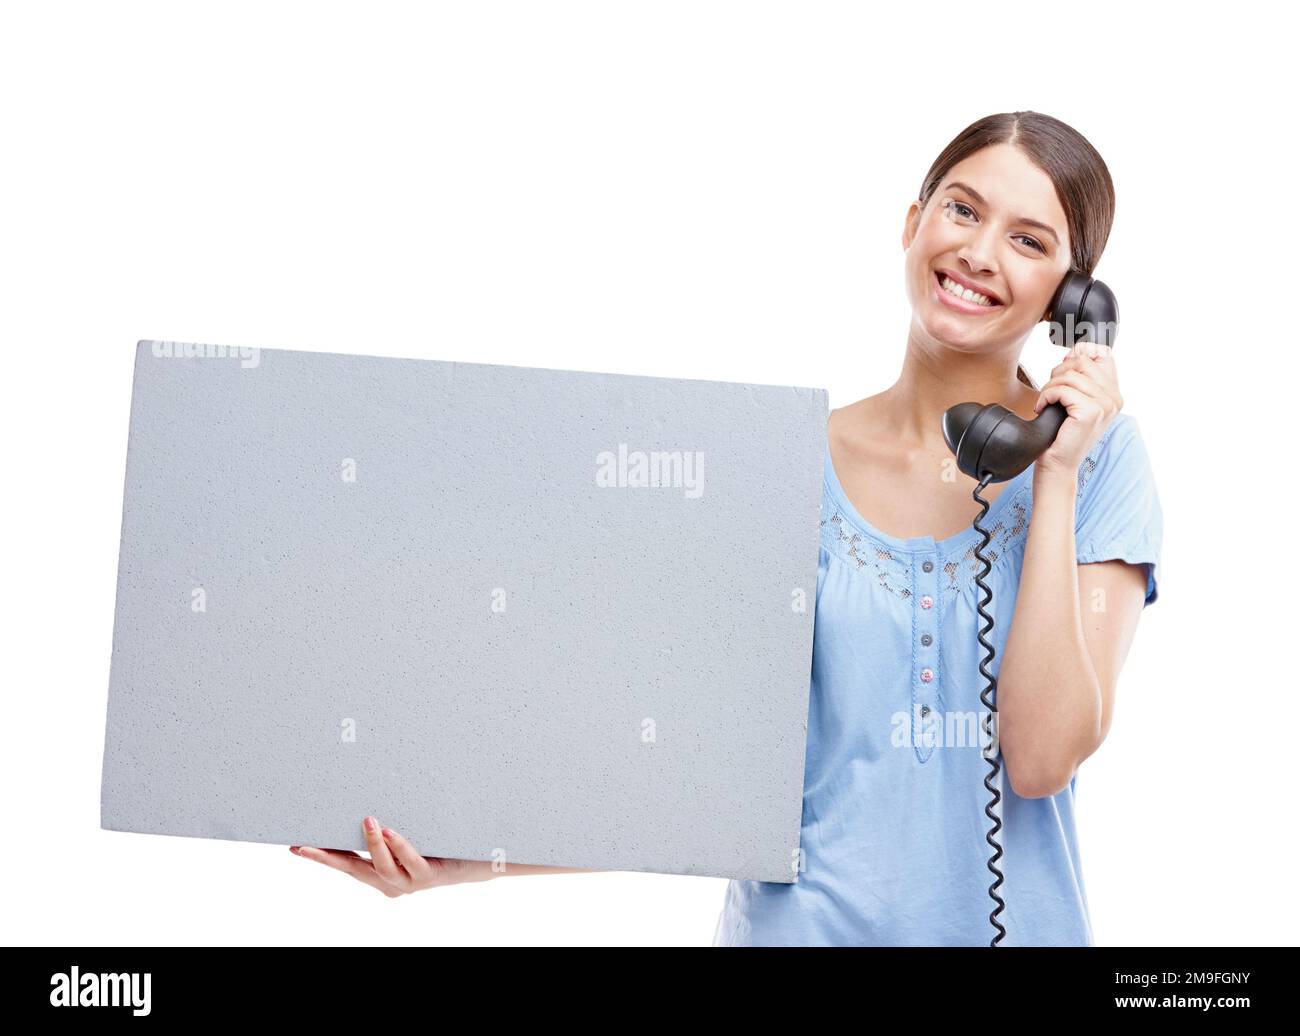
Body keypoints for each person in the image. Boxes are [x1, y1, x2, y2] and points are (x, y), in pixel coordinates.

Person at [291, 111, 1164, 947]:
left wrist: (1052, 469)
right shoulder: (781, 462)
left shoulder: (1098, 465)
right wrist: (468, 860)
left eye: (1028, 239)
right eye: (963, 209)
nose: (977, 251)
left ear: (1074, 300)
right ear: (912, 222)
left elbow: (1042, 758)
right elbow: (687, 773)